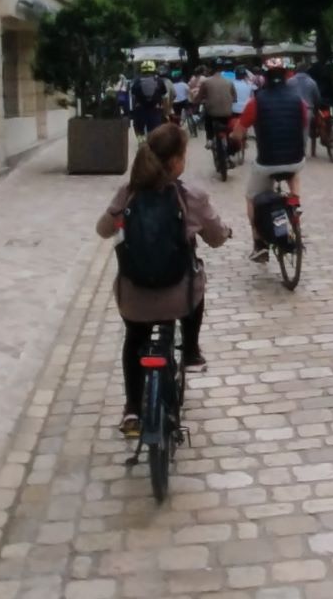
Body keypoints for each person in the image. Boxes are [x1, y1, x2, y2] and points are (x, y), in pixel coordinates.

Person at [95, 123, 232, 436]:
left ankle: (131, 410)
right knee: (197, 279)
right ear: (176, 162)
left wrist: (120, 220)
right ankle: (193, 352)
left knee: (135, 340)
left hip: (134, 299)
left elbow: (103, 230)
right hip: (178, 299)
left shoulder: (127, 193)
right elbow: (215, 237)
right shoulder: (190, 196)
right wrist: (224, 234)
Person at [231, 57, 307, 262]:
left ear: (264, 77)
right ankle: (294, 201)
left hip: (267, 163)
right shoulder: (298, 101)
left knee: (252, 197)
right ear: (285, 76)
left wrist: (233, 142)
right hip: (295, 158)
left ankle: (259, 243)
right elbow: (303, 124)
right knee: (295, 168)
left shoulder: (256, 102)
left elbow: (238, 133)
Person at [197, 60, 237, 150]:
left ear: (210, 69)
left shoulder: (206, 82)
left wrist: (197, 101)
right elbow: (235, 98)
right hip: (227, 112)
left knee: (207, 118)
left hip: (212, 113)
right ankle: (230, 139)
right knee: (229, 124)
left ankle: (209, 139)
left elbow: (199, 97)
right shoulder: (229, 82)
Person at [288, 62, 321, 151]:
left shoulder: (289, 81)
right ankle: (302, 151)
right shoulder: (312, 82)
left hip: (292, 110)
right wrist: (316, 110)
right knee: (304, 131)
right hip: (308, 110)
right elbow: (317, 98)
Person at [130, 60, 166, 140]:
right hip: (155, 110)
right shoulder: (159, 81)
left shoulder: (136, 82)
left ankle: (140, 142)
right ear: (154, 70)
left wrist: (133, 112)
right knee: (156, 133)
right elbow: (164, 97)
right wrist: (166, 111)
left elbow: (133, 97)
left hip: (140, 111)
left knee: (138, 130)